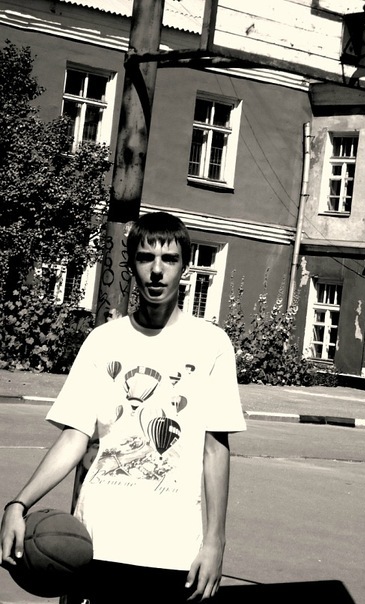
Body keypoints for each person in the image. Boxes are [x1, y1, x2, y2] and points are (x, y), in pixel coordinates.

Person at [0, 211, 247, 602]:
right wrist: (19, 503)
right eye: (146, 258)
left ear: (184, 267)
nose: (157, 271)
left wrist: (215, 542)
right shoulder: (103, 341)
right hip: (97, 546)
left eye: (169, 259)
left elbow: (215, 450)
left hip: (172, 551)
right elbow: (74, 438)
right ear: (132, 264)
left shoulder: (211, 345)